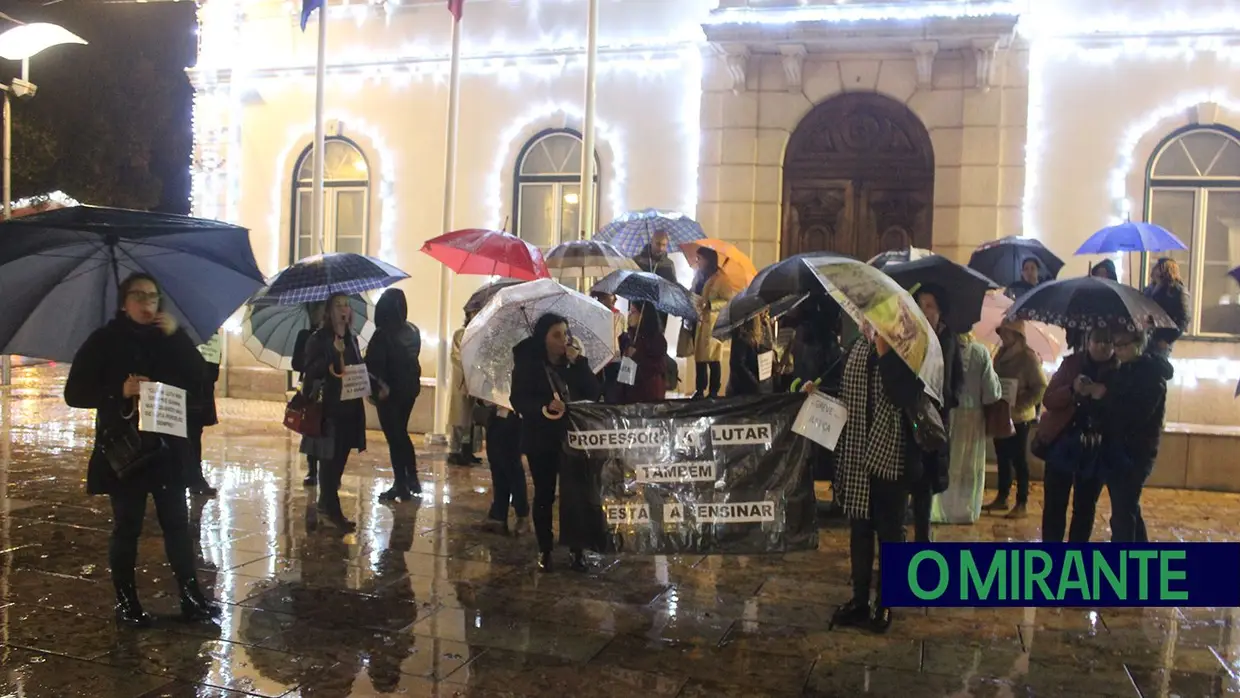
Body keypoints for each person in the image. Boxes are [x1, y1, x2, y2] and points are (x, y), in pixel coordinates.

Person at [64, 272, 220, 626]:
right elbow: (75, 394)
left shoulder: (167, 337)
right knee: (127, 526)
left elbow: (200, 378)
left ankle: (192, 596)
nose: (147, 304)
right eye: (139, 296)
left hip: (167, 446)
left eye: (153, 297)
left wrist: (177, 336)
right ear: (124, 303)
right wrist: (119, 390)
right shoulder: (103, 341)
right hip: (126, 452)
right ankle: (126, 602)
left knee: (177, 524)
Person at [830, 326, 925, 633]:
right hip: (857, 454)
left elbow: (903, 396)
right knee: (859, 529)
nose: (865, 321)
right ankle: (859, 600)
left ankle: (885, 603)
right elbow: (846, 394)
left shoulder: (904, 347)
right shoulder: (857, 348)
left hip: (891, 454)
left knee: (890, 533)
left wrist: (885, 354)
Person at [509, 314, 602, 572]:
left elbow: (593, 393)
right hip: (541, 438)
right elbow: (518, 399)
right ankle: (545, 548)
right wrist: (543, 408)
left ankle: (577, 549)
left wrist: (579, 364)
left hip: (572, 438)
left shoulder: (573, 363)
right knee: (544, 494)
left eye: (565, 333)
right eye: (556, 335)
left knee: (575, 495)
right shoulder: (529, 364)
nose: (563, 340)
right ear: (544, 338)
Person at [1037, 327, 1117, 543]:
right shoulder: (1072, 364)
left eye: (1109, 341)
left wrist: (1104, 395)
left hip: (1097, 448)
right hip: (1063, 444)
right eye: (1099, 339)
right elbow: (1049, 400)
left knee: (1085, 507)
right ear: (1088, 341)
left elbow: (1124, 411)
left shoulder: (1119, 370)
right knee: (1054, 504)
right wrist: (1072, 390)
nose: (1103, 345)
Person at [301, 293, 371, 532]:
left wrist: (372, 382)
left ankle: (325, 503)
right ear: (328, 311)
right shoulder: (318, 339)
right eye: (338, 305)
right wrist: (332, 352)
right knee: (329, 461)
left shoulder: (351, 338)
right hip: (329, 410)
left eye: (346, 305)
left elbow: (356, 367)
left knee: (340, 459)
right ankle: (332, 509)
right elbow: (309, 372)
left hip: (350, 408)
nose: (344, 309)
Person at [1100, 329, 1173, 542]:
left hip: (1136, 450)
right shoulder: (1121, 370)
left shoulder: (1151, 374)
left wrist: (1105, 395)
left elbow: (1137, 414)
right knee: (1127, 507)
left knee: (1123, 512)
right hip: (1116, 448)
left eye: (1123, 345)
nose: (1118, 350)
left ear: (1139, 344)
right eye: (1116, 345)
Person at [909, 285, 963, 541]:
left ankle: (923, 536)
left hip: (937, 419)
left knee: (928, 480)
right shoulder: (912, 336)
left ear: (940, 310)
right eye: (920, 305)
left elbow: (957, 379)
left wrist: (947, 400)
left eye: (929, 305)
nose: (924, 311)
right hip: (914, 416)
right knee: (917, 479)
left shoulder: (949, 339)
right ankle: (919, 535)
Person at [932, 332, 1001, 524]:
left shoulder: (940, 348)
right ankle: (964, 510)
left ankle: (939, 510)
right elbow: (991, 394)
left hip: (945, 415)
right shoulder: (981, 352)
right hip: (972, 418)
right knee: (968, 466)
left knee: (947, 462)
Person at [984, 320, 1047, 519]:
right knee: (1002, 456)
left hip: (1020, 416)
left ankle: (1022, 502)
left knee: (1019, 459)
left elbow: (1040, 387)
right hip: (1002, 414)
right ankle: (1002, 496)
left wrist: (1021, 402)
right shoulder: (1000, 354)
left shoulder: (1028, 358)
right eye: (1002, 332)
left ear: (1017, 335)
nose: (1003, 336)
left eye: (1007, 333)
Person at [366, 288, 422, 503]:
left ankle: (401, 484)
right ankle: (411, 477)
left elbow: (374, 365)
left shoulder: (381, 334)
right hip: (408, 391)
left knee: (394, 438)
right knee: (402, 434)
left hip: (388, 393)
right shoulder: (413, 331)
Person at [684, 247, 734, 399]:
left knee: (713, 358)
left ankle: (713, 391)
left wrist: (711, 304)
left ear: (708, 260)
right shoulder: (698, 276)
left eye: (700, 259)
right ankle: (700, 389)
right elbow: (693, 291)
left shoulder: (721, 279)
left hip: (713, 323)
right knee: (699, 358)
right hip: (698, 321)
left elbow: (727, 301)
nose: (697, 262)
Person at [292, 302, 325, 487]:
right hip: (311, 387)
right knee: (311, 428)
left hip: (330, 388)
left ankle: (327, 470)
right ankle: (312, 469)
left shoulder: (336, 335)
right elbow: (296, 364)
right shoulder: (304, 335)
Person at [482, 403, 528, 535]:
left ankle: (522, 514)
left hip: (515, 418)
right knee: (497, 466)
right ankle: (498, 514)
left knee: (512, 468)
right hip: (496, 417)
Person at [613, 302, 667, 403]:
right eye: (629, 311)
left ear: (643, 315)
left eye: (633, 312)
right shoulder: (630, 337)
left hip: (648, 396)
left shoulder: (656, 339)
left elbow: (658, 367)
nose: (629, 314)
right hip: (630, 395)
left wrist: (636, 356)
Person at [448, 309, 482, 466]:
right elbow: (456, 356)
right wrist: (468, 372)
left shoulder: (482, 334)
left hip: (477, 380)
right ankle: (455, 451)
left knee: (473, 420)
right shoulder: (460, 334)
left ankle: (468, 451)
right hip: (462, 381)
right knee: (460, 419)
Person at [186, 356, 220, 498]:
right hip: (180, 395)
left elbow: (213, 373)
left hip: (198, 397)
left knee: (194, 436)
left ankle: (196, 479)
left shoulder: (212, 341)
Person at [1067, 261, 1120, 349]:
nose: (1101, 278)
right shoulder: (1082, 296)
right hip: (1083, 346)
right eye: (1098, 274)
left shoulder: (1116, 300)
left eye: (1105, 275)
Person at [1144, 257, 1190, 356]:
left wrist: (1167, 339)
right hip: (1146, 335)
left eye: (1159, 268)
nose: (1155, 270)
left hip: (1161, 337)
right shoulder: (1150, 289)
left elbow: (1184, 318)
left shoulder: (1176, 290)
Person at [728, 312, 774, 396]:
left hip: (757, 389)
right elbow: (738, 365)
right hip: (743, 392)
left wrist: (767, 327)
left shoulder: (761, 333)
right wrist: (755, 385)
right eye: (762, 313)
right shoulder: (741, 337)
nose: (765, 315)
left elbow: (768, 351)